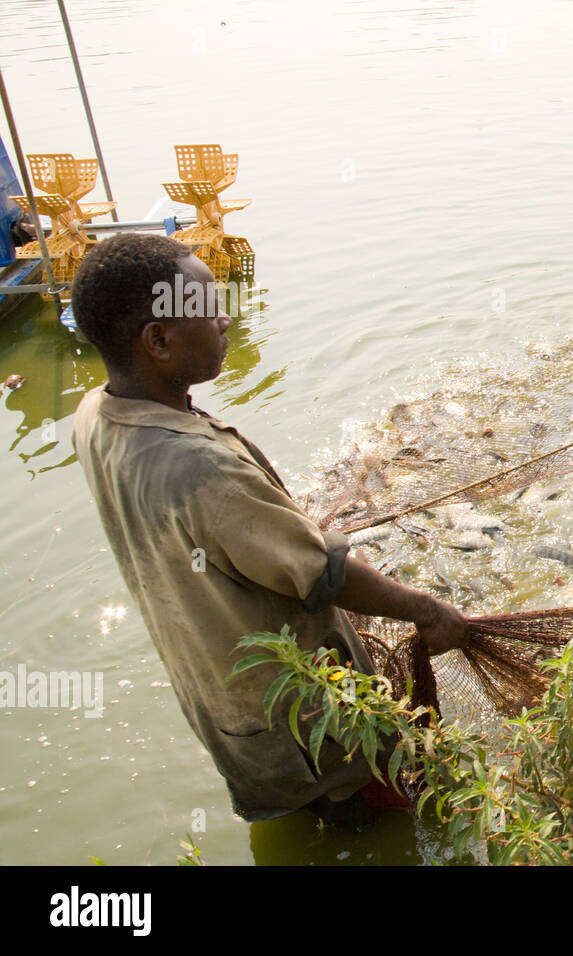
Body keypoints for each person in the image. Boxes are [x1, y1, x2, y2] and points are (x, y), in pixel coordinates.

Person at [70, 234, 468, 823]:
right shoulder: (200, 469)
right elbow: (322, 575)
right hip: (309, 726)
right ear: (158, 340)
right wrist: (427, 610)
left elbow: (211, 531)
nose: (225, 318)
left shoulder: (94, 416)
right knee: (373, 819)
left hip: (224, 709)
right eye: (206, 307)